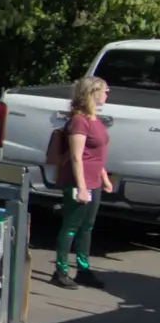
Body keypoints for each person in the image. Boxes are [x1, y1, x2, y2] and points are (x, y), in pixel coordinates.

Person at [52, 76, 112, 290]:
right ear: (93, 92)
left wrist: (104, 177)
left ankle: (83, 269)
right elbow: (77, 157)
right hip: (79, 182)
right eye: (105, 90)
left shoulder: (95, 119)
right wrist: (83, 187)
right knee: (72, 226)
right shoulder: (79, 121)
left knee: (87, 227)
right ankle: (60, 271)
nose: (107, 94)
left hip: (94, 181)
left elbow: (96, 154)